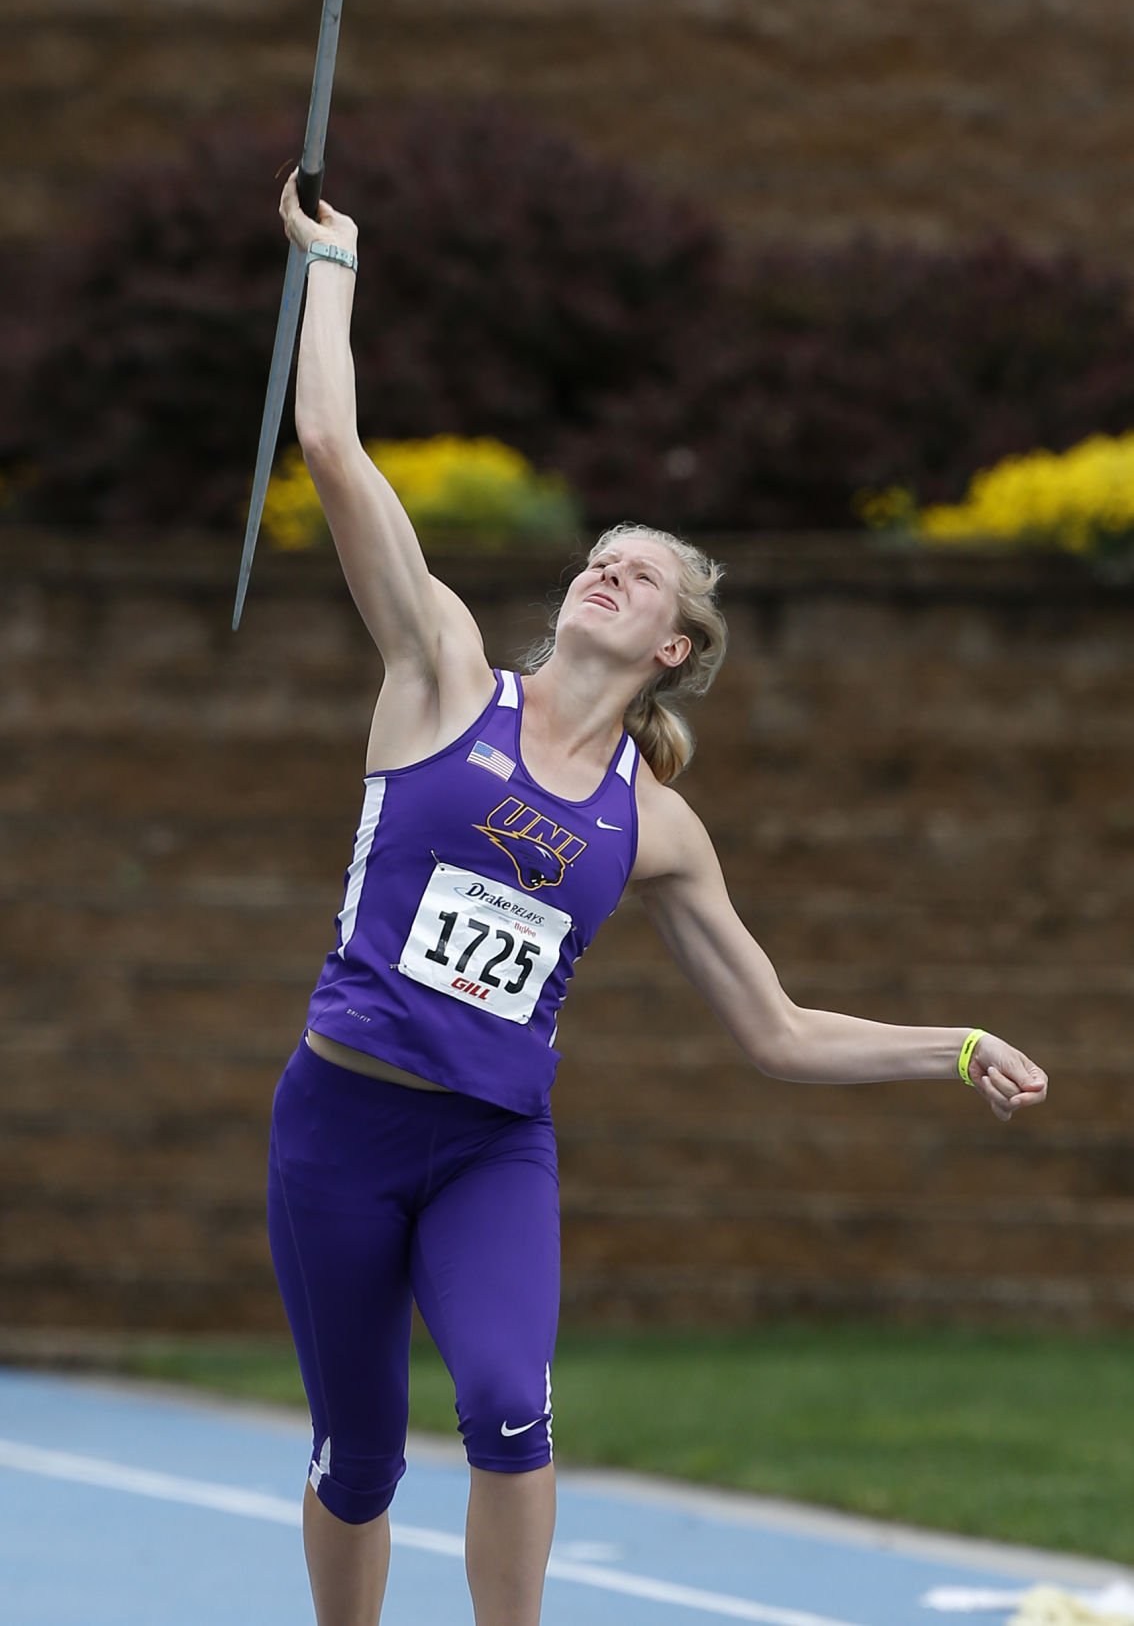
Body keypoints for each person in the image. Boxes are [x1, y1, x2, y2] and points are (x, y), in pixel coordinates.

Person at [266, 171, 1049, 1626]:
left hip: (489, 1145)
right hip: (340, 1120)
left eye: (642, 576)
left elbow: (776, 1030)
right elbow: (326, 439)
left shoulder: (659, 827)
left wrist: (949, 1043)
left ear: (679, 648)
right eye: (598, 558)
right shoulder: (438, 671)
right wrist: (334, 267)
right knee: (359, 1457)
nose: (606, 572)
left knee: (510, 1411)